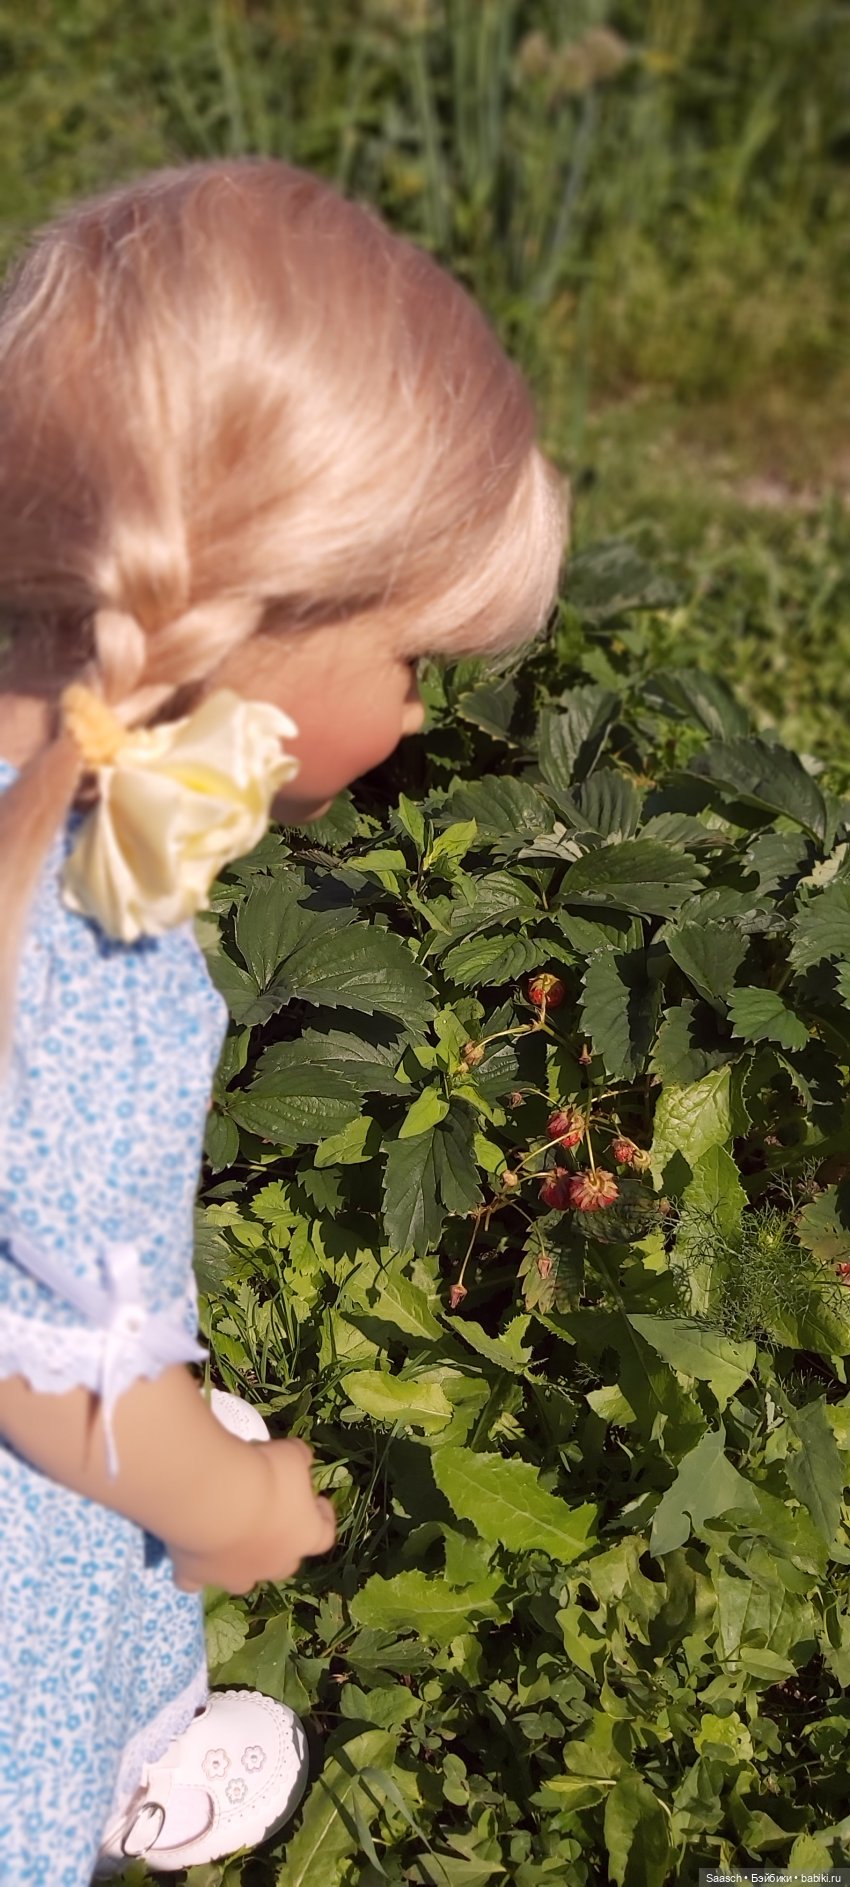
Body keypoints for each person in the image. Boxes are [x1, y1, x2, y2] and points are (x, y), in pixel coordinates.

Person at [0, 157, 568, 1882]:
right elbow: (51, 1388)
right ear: (247, 636)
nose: (411, 714)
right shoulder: (89, 966)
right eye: (411, 664)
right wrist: (231, 1506)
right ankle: (84, 1781)